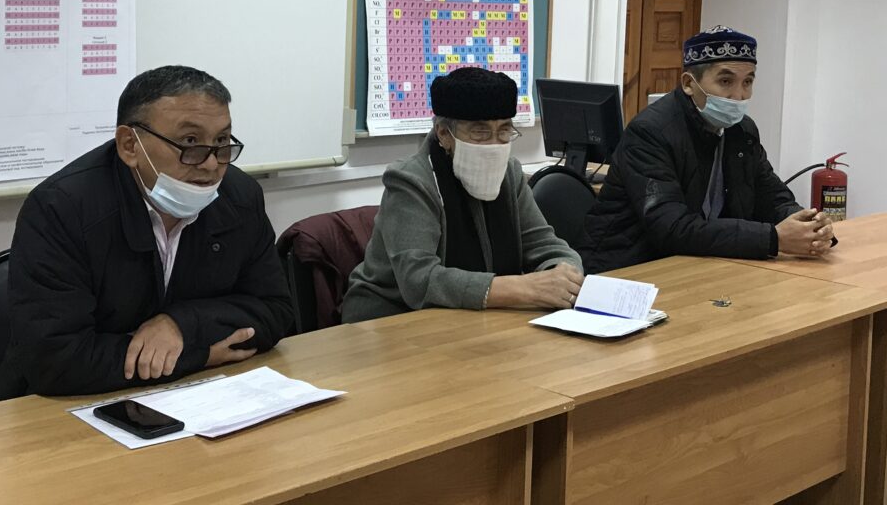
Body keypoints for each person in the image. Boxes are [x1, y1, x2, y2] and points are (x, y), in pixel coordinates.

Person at [0, 66, 294, 401]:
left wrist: (183, 324)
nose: (210, 165)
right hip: (58, 409)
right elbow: (56, 360)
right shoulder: (62, 208)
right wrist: (200, 354)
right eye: (190, 142)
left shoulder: (239, 197)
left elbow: (276, 310)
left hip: (192, 399)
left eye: (221, 141)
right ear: (130, 145)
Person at [578, 25, 835, 274]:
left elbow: (771, 195)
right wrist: (773, 238)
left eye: (747, 82)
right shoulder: (650, 132)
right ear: (689, 83)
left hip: (701, 263)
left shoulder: (742, 131)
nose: (738, 95)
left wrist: (809, 225)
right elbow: (671, 227)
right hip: (627, 269)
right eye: (725, 81)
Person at [342, 67, 584, 323]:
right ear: (444, 134)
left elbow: (545, 244)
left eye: (504, 131)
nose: (494, 145)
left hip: (471, 316)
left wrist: (563, 274)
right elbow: (419, 280)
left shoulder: (509, 173)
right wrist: (525, 288)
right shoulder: (411, 181)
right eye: (480, 133)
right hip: (389, 320)